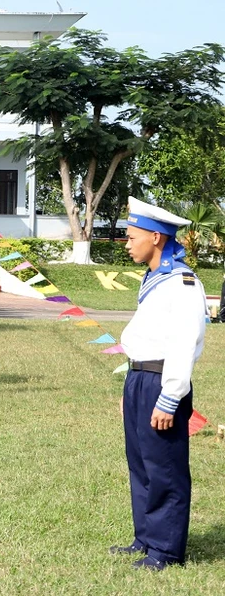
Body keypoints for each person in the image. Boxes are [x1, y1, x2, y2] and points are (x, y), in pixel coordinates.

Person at [112, 197, 206, 571]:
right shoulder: (155, 277)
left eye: (133, 237)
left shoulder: (181, 282)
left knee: (163, 467)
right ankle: (147, 537)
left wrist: (170, 396)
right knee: (140, 463)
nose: (127, 243)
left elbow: (184, 342)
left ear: (156, 237)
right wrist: (131, 383)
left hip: (161, 380)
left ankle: (166, 550)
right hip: (140, 377)